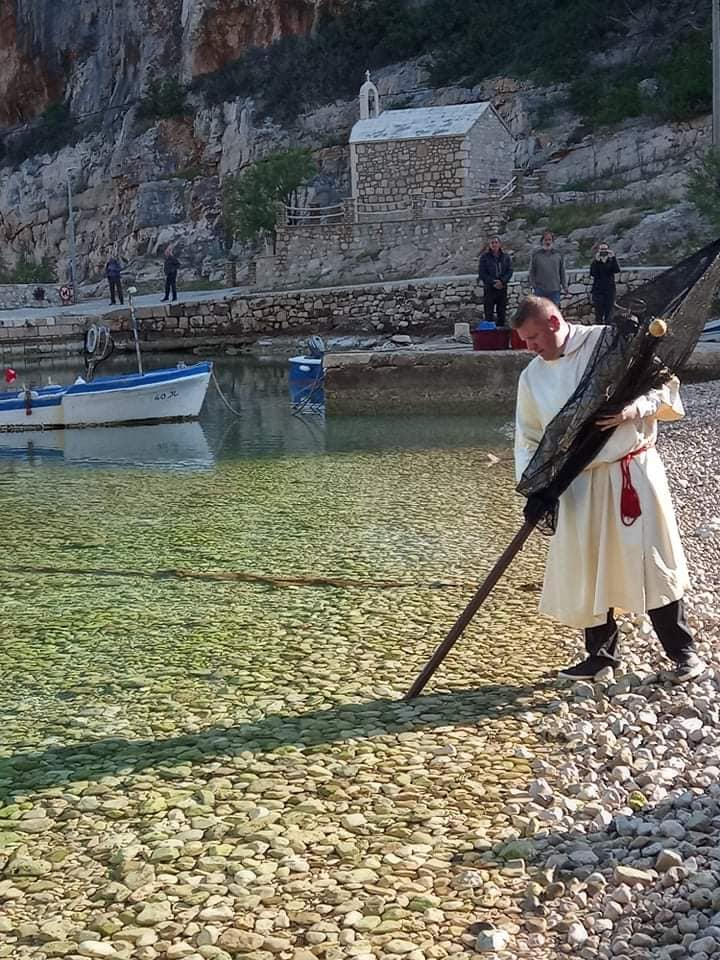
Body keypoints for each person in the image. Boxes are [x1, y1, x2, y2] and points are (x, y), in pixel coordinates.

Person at [511, 295, 706, 683]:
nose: (530, 347)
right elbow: (528, 438)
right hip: (577, 481)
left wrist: (634, 410)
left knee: (651, 558)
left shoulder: (609, 344)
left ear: (553, 323)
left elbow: (665, 387)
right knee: (588, 564)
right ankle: (600, 658)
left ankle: (684, 654)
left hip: (630, 470)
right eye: (525, 341)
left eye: (533, 337)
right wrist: (536, 489)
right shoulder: (532, 377)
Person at [478, 236, 514, 326]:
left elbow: (510, 271)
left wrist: (502, 281)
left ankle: (501, 331)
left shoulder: (505, 257)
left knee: (501, 312)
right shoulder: (484, 258)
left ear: (500, 244)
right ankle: (490, 332)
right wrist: (493, 282)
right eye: (492, 243)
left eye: (496, 242)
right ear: (489, 245)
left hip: (502, 288)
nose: (494, 244)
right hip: (489, 288)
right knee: (488, 312)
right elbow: (482, 273)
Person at [528, 230, 568, 307]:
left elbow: (562, 271)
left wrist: (564, 286)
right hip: (540, 290)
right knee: (540, 311)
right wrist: (534, 285)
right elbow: (532, 271)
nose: (548, 242)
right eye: (546, 240)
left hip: (555, 290)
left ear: (553, 241)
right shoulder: (536, 255)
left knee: (553, 312)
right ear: (542, 241)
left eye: (549, 240)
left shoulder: (558, 255)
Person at [590, 242, 620, 323]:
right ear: (598, 250)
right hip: (598, 290)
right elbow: (593, 273)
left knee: (609, 312)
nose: (603, 251)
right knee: (598, 312)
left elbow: (617, 270)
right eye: (601, 249)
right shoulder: (595, 262)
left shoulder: (611, 260)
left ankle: (608, 327)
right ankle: (598, 327)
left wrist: (613, 258)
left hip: (609, 290)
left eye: (605, 249)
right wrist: (596, 261)